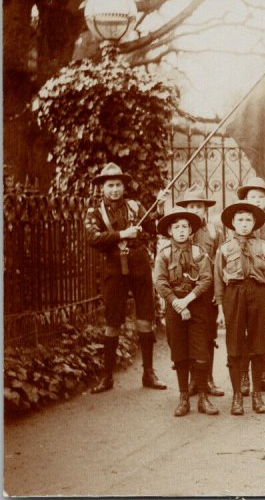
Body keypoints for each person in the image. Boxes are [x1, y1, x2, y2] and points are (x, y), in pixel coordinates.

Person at [84, 162, 168, 394]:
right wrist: (122, 234)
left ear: (124, 186)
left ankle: (149, 373)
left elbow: (153, 227)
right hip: (113, 266)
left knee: (145, 317)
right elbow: (92, 238)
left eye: (118, 184)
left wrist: (159, 207)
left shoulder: (134, 206)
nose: (114, 190)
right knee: (112, 322)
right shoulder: (94, 212)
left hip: (139, 264)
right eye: (110, 185)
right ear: (102, 187)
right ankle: (107, 376)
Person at [153, 207, 218, 416]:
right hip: (174, 308)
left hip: (197, 305)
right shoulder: (163, 255)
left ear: (191, 230)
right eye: (176, 227)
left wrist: (188, 299)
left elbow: (207, 278)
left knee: (201, 351)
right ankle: (183, 397)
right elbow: (160, 281)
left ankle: (202, 397)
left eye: (185, 227)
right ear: (170, 231)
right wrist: (176, 302)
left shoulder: (199, 253)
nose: (181, 231)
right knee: (179, 352)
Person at [214, 201, 265, 415]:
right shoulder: (224, 249)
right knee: (235, 345)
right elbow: (218, 281)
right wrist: (220, 310)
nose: (245, 224)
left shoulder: (263, 247)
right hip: (234, 295)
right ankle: (237, 395)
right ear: (232, 223)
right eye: (240, 220)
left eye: (248, 220)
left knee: (258, 345)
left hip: (257, 294)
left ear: (255, 223)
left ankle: (257, 394)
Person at [175, 185, 225, 397]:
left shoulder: (214, 231)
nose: (195, 210)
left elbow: (221, 263)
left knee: (207, 335)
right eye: (191, 206)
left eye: (199, 206)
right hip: (184, 293)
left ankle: (208, 379)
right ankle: (192, 380)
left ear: (205, 209)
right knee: (186, 336)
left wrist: (218, 290)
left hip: (207, 290)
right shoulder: (181, 229)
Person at [235, 177, 265, 396]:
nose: (257, 201)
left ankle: (263, 374)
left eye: (261, 197)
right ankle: (245, 375)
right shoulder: (239, 221)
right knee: (245, 329)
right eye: (252, 197)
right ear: (245, 199)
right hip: (245, 285)